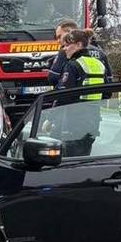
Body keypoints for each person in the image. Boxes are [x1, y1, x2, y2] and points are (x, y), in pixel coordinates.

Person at [43, 28, 107, 156]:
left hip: (73, 122)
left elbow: (63, 96)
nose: (64, 49)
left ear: (78, 45)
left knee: (67, 163)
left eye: (67, 45)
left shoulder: (72, 65)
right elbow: (107, 93)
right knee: (83, 160)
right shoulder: (99, 64)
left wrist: (50, 119)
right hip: (93, 121)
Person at [48, 19, 113, 86]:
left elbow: (53, 79)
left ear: (70, 32)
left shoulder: (65, 52)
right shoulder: (99, 52)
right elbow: (109, 79)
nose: (58, 41)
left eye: (59, 36)